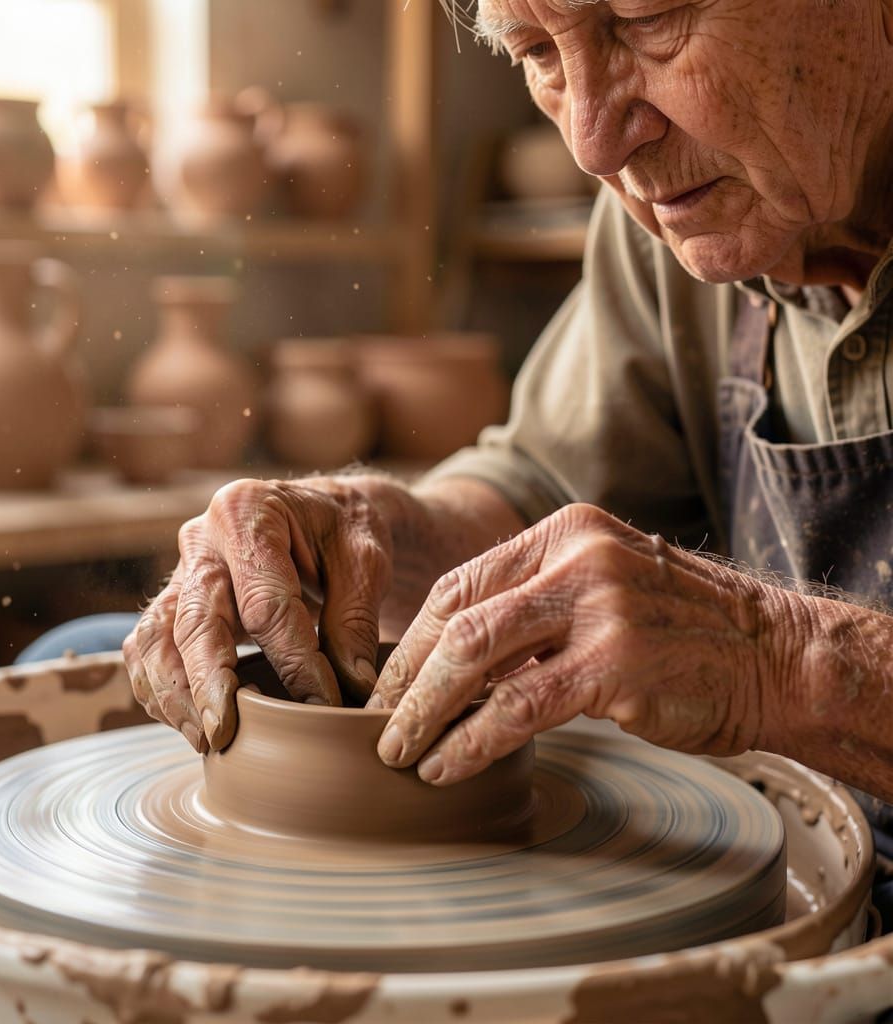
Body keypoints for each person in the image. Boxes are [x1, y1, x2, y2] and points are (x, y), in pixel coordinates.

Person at [95, 0, 893, 823]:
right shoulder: (691, 210)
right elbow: (540, 492)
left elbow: (761, 658)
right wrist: (372, 536)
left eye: (649, 19)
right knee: (90, 652)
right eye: (539, 51)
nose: (592, 141)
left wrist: (785, 666)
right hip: (802, 830)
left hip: (826, 876)